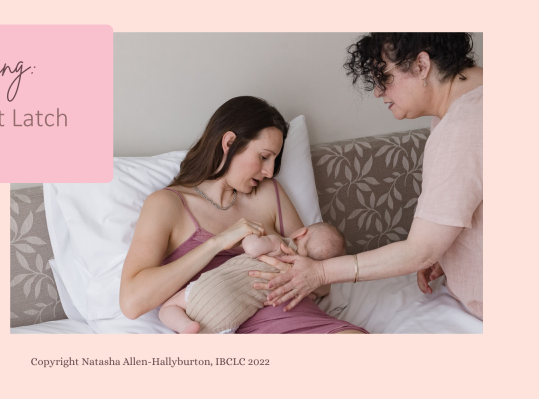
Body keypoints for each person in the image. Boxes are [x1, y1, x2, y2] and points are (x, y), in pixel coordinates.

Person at [251, 33, 483, 320]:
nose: (377, 92)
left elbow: (419, 251)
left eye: (384, 77)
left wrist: (320, 272)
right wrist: (446, 253)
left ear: (422, 65)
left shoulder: (462, 128)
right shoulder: (463, 109)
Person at [119, 96, 368, 334]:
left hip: (294, 315)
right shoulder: (167, 204)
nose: (270, 171)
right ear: (229, 143)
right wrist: (216, 244)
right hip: (224, 326)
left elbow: (320, 281)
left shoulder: (269, 193)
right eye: (263, 157)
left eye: (274, 160)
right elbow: (132, 303)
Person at [158, 223, 347, 334]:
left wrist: (251, 236)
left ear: (301, 233)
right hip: (230, 316)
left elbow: (253, 248)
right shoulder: (302, 282)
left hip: (212, 285)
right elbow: (319, 291)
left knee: (167, 307)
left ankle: (185, 326)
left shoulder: (280, 244)